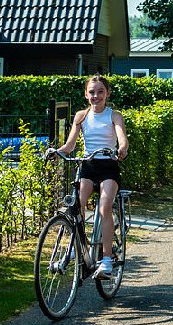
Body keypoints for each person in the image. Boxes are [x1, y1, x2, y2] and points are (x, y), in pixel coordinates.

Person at [48, 75, 129, 279]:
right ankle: (76, 247)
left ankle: (107, 259)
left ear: (107, 93)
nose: (96, 96)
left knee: (104, 207)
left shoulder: (114, 115)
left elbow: (122, 139)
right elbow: (70, 146)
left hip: (108, 166)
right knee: (76, 206)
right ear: (86, 94)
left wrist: (122, 149)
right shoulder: (81, 117)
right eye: (92, 92)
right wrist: (56, 151)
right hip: (87, 165)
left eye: (100, 91)